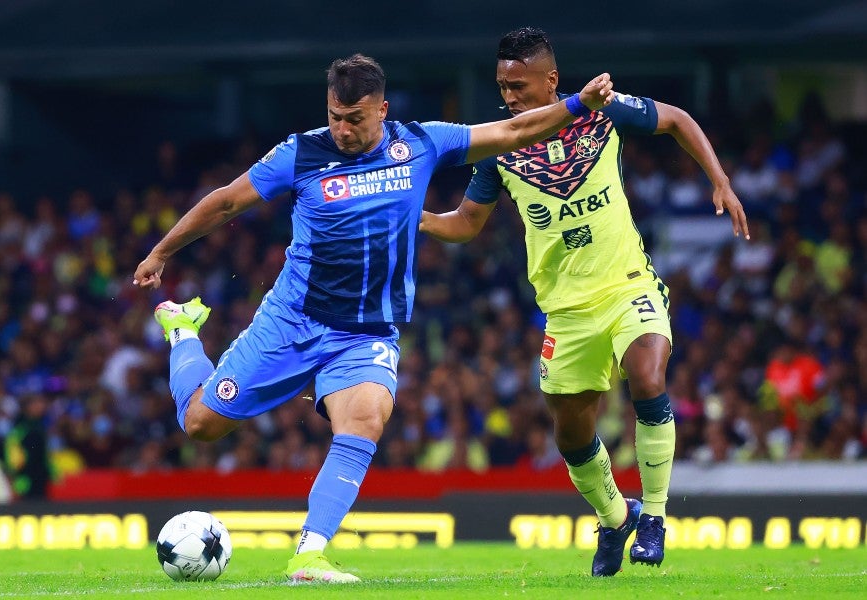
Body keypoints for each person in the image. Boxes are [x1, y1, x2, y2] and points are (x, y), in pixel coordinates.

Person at [133, 53, 615, 583]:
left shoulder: (423, 142)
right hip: (292, 321)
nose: (342, 129)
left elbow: (512, 129)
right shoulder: (300, 153)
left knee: (364, 419)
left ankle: (309, 556)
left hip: (364, 334)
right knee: (200, 425)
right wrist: (161, 252)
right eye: (336, 117)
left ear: (382, 110)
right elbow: (227, 202)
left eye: (355, 119)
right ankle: (183, 332)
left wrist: (575, 105)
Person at [420, 28, 748, 577]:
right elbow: (467, 224)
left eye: (519, 85)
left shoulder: (603, 112)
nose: (510, 97)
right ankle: (616, 516)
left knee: (647, 376)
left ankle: (656, 520)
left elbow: (676, 120)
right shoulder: (500, 147)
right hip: (566, 311)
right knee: (571, 432)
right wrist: (417, 220)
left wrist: (719, 179)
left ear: (552, 79)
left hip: (627, 285)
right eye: (503, 86)